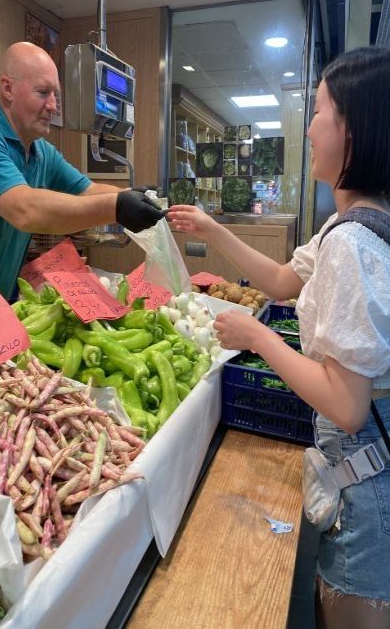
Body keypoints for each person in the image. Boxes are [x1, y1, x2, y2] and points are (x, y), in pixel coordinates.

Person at [168, 46, 390, 629]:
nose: (309, 127)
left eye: (318, 111)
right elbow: (284, 282)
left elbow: (346, 404)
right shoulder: (351, 223)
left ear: (354, 128)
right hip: (361, 472)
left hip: (369, 488)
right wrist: (214, 229)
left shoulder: (353, 244)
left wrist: (257, 338)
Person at [0, 41, 164, 301]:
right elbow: (25, 209)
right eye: (43, 92)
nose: (53, 106)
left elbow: (87, 191)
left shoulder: (42, 152)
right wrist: (117, 207)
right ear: (8, 88)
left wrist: (136, 196)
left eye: (55, 95)